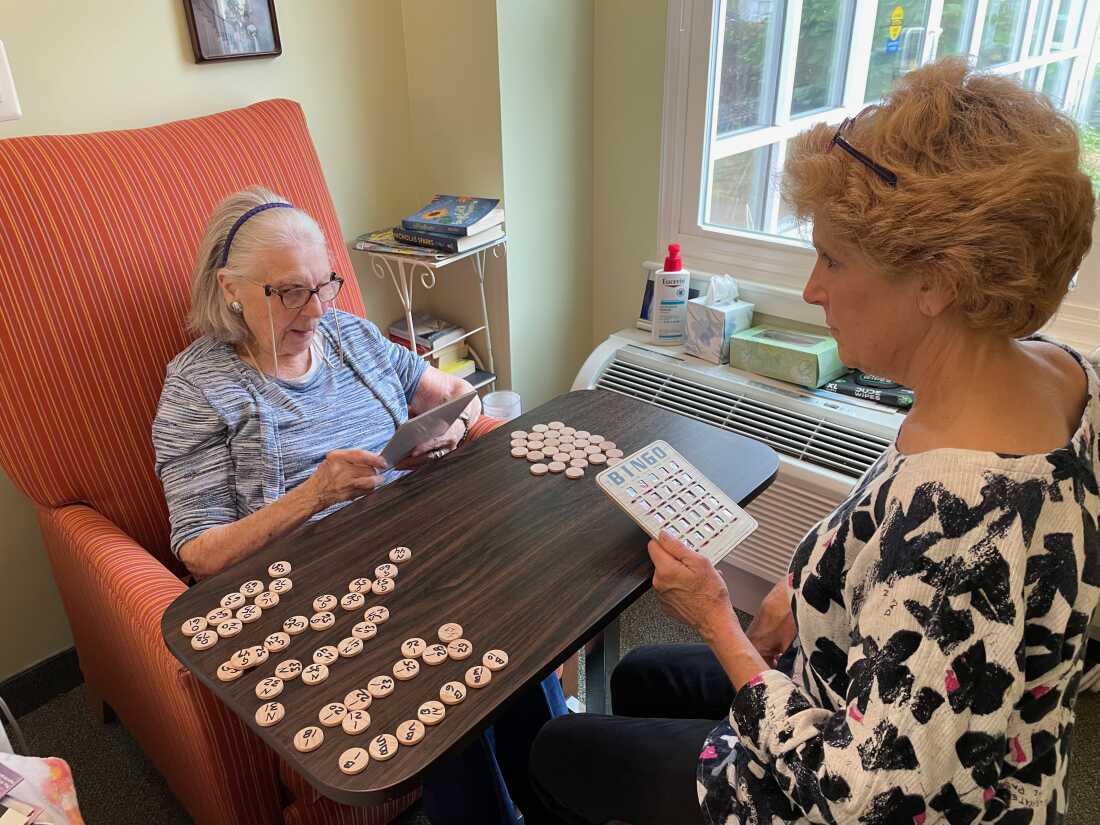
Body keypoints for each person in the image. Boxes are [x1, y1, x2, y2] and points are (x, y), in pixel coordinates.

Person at [529, 58, 1099, 825]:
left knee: (558, 754)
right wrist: (804, 591)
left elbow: (861, 796)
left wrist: (716, 620)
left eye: (833, 258)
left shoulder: (966, 524)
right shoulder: (1064, 374)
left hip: (865, 791)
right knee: (641, 674)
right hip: (882, 694)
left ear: (937, 282)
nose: (811, 289)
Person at [153, 187, 564, 824]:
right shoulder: (198, 387)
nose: (315, 310)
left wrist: (452, 427)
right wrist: (313, 494)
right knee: (444, 692)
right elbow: (200, 552)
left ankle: (560, 791)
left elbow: (457, 391)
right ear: (230, 287)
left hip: (412, 546)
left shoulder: (350, 336)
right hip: (309, 586)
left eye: (325, 286)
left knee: (516, 630)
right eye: (290, 292)